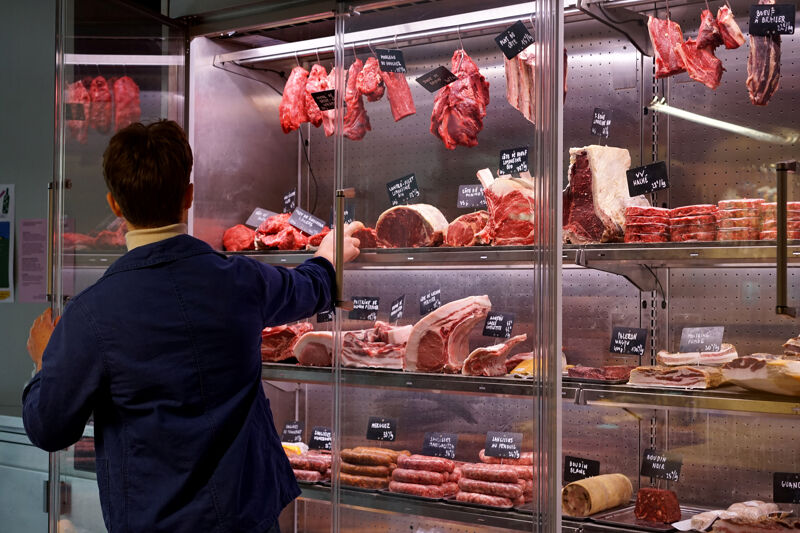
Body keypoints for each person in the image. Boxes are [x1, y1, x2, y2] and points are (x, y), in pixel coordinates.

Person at [23, 120, 361, 533]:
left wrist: (44, 363)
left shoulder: (91, 313)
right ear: (189, 195)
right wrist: (329, 256)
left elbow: (49, 428)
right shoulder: (241, 281)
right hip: (247, 519)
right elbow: (313, 287)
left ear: (115, 205)